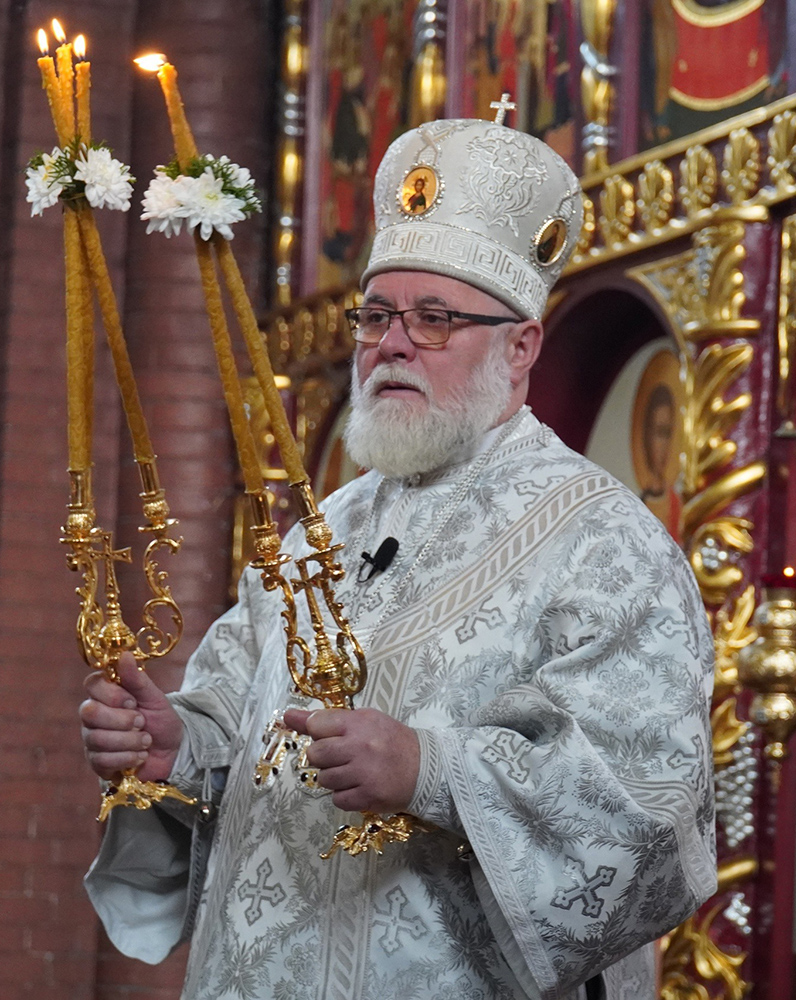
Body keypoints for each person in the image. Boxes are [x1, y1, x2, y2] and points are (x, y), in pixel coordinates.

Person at [81, 117, 716, 1000]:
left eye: (434, 319)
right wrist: (174, 748)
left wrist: (431, 769)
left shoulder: (606, 545)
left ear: (521, 345)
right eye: (376, 315)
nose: (392, 343)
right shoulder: (320, 530)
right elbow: (231, 714)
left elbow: (649, 810)